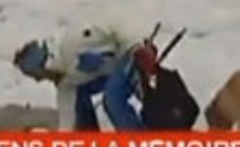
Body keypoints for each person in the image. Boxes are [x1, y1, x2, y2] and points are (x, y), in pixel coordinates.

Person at [13, 24, 163, 132]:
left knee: (112, 98)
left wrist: (137, 47)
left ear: (43, 66)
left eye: (36, 76)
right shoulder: (66, 84)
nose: (38, 81)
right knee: (79, 96)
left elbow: (114, 24)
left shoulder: (72, 44)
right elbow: (67, 122)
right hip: (110, 73)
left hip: (129, 56)